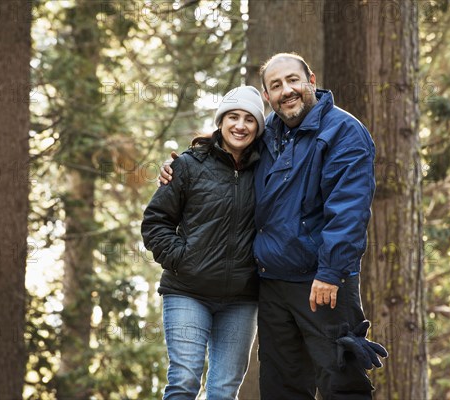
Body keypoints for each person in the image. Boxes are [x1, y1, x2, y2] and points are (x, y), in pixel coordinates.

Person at [160, 53, 387, 399]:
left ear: (311, 80)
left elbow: (348, 211)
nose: (286, 90)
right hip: (272, 285)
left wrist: (330, 271)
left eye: (293, 80)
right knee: (282, 386)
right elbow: (228, 156)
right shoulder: (269, 135)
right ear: (267, 96)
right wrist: (181, 164)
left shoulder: (343, 131)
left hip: (321, 283)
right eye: (276, 85)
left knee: (340, 379)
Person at [142, 85, 266, 399]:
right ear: (221, 122)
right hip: (188, 292)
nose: (240, 125)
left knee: (224, 391)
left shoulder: (268, 170)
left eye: (249, 119)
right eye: (233, 117)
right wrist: (182, 259)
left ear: (258, 127)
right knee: (184, 382)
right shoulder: (189, 165)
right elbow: (156, 221)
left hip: (241, 297)